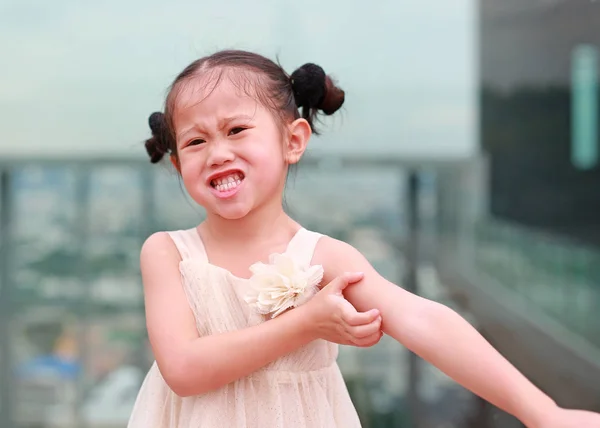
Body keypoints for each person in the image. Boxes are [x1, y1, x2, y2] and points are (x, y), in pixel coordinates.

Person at [128, 49, 600, 428]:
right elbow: (184, 370)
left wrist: (542, 413)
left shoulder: (323, 256)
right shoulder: (169, 253)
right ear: (176, 163)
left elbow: (424, 320)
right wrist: (305, 323)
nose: (217, 152)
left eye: (236, 130)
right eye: (195, 141)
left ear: (293, 140)